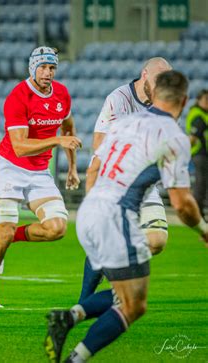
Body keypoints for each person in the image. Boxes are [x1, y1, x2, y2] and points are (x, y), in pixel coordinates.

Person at [44, 70, 208, 363]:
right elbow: (182, 203)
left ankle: (70, 317)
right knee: (134, 305)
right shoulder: (173, 137)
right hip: (116, 215)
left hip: (90, 210)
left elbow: (94, 165)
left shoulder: (126, 123)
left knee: (127, 295)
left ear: (154, 95)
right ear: (183, 101)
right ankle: (74, 357)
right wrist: (204, 230)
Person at [0, 46, 82, 308]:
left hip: (38, 171)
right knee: (5, 233)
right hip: (10, 167)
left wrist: (72, 168)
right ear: (32, 68)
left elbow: (68, 128)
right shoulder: (18, 96)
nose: (48, 72)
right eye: (43, 67)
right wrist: (57, 139)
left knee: (57, 228)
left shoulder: (61, 94)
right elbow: (19, 147)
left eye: (52, 68)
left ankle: (6, 234)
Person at [78, 57, 173, 303]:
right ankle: (86, 301)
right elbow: (99, 145)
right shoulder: (118, 100)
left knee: (157, 241)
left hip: (144, 185)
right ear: (144, 75)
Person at [186, 89, 208, 218]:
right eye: (206, 100)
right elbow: (193, 138)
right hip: (200, 154)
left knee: (203, 185)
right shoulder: (198, 115)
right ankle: (197, 216)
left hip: (204, 154)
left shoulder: (203, 113)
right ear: (199, 100)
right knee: (200, 185)